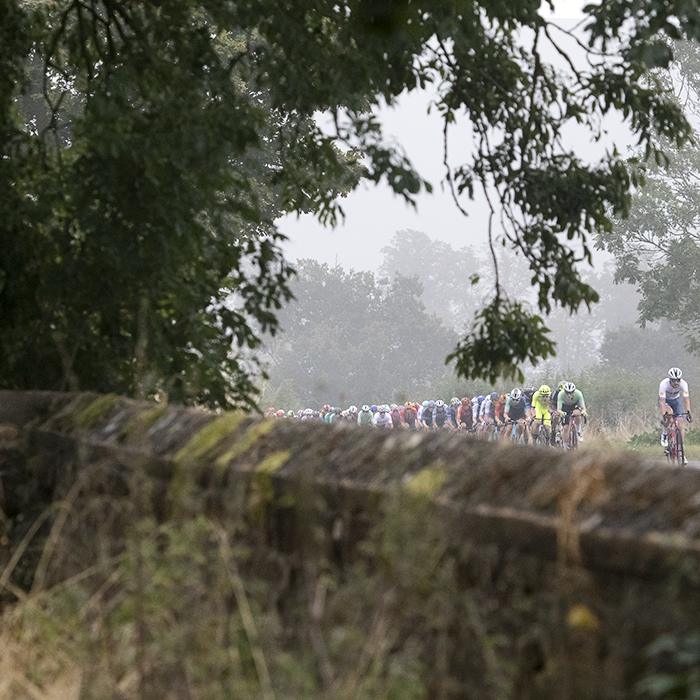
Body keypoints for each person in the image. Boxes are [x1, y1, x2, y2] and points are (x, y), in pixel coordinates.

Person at [659, 367, 692, 462]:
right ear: (670, 380)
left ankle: (681, 453)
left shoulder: (684, 384)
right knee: (669, 414)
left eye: (678, 380)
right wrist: (664, 417)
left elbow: (686, 400)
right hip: (665, 401)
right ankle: (665, 434)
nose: (676, 383)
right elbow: (662, 402)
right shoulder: (663, 384)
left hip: (676, 401)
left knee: (680, 425)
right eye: (674, 380)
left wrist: (688, 412)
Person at [557, 382, 587, 449]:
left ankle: (578, 432)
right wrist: (561, 413)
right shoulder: (560, 394)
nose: (569, 395)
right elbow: (558, 409)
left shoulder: (578, 394)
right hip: (565, 407)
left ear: (574, 391)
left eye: (571, 393)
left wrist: (583, 412)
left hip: (574, 405)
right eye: (567, 392)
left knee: (577, 413)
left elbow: (583, 408)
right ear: (564, 391)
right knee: (565, 428)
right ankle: (565, 448)